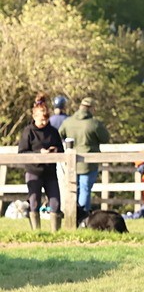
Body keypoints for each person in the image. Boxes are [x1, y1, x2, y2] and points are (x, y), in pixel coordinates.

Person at [17, 94, 65, 231]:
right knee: (34, 202)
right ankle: (36, 231)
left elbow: (61, 150)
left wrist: (55, 151)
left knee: (55, 202)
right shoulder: (28, 132)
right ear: (34, 117)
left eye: (46, 119)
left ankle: (55, 232)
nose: (44, 122)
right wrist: (39, 153)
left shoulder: (53, 132)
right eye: (41, 119)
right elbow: (22, 153)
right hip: (34, 172)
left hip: (50, 172)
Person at [58, 96, 110, 214]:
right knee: (85, 189)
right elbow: (105, 138)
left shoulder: (68, 122)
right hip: (88, 163)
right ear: (91, 108)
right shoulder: (94, 123)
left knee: (72, 189)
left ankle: (72, 214)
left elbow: (59, 135)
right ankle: (83, 215)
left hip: (70, 162)